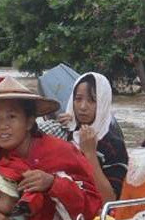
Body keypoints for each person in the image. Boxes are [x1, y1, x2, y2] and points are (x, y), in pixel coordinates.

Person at [0, 77, 103, 220]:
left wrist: (53, 183)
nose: (3, 126)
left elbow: (92, 208)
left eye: (12, 117)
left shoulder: (63, 152)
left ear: (29, 122)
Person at [52, 71, 128, 204]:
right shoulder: (63, 132)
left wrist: (90, 154)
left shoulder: (113, 145)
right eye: (78, 99)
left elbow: (109, 199)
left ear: (103, 102)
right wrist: (56, 130)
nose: (82, 107)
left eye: (92, 100)